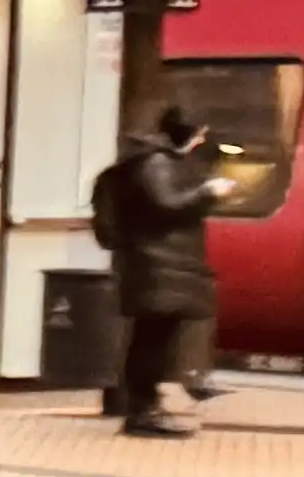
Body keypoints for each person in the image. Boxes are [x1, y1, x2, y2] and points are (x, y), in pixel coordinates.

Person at [89, 109, 219, 436]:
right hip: (155, 265)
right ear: (186, 132)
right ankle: (142, 411)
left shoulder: (154, 161)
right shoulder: (156, 163)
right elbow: (167, 204)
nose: (202, 139)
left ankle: (142, 406)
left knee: (153, 340)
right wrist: (209, 193)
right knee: (152, 342)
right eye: (199, 133)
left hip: (156, 265)